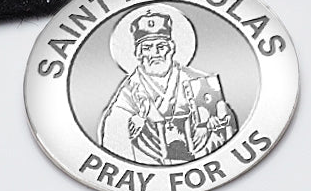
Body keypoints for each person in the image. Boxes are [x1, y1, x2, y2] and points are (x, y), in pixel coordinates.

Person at [97, 9, 237, 165]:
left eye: (161, 46)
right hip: (150, 160)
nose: (155, 53)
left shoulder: (196, 79)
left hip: (198, 157)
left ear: (171, 49)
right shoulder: (131, 89)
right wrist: (134, 120)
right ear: (138, 53)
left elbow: (222, 115)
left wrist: (213, 123)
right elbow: (114, 125)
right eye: (147, 48)